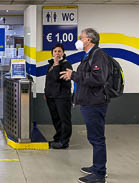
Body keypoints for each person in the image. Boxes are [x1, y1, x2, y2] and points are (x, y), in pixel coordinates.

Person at [60, 28, 109, 183]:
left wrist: (73, 75)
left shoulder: (98, 55)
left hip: (94, 103)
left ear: (89, 40)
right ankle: (97, 167)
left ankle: (100, 174)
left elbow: (98, 78)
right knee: (94, 137)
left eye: (81, 37)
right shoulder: (90, 55)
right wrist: (73, 75)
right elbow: (88, 76)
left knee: (97, 138)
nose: (79, 40)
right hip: (89, 101)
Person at [44, 43, 72, 149]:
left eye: (59, 51)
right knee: (56, 119)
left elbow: (56, 77)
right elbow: (49, 80)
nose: (57, 53)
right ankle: (58, 138)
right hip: (51, 96)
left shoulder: (66, 65)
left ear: (63, 53)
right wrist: (46, 93)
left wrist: (56, 63)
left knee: (64, 119)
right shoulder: (51, 64)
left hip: (62, 97)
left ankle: (64, 142)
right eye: (55, 51)